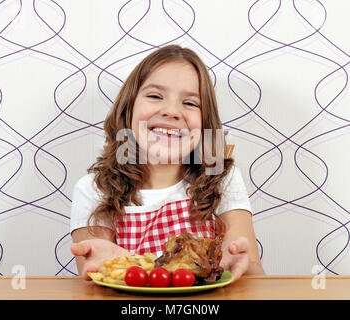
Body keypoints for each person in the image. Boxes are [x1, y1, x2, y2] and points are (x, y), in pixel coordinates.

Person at [70, 45, 265, 283]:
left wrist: (241, 266)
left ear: (205, 125)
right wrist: (107, 268)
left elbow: (252, 276)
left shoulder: (222, 178)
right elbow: (92, 282)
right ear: (128, 108)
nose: (172, 111)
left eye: (191, 103)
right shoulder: (93, 189)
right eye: (154, 96)